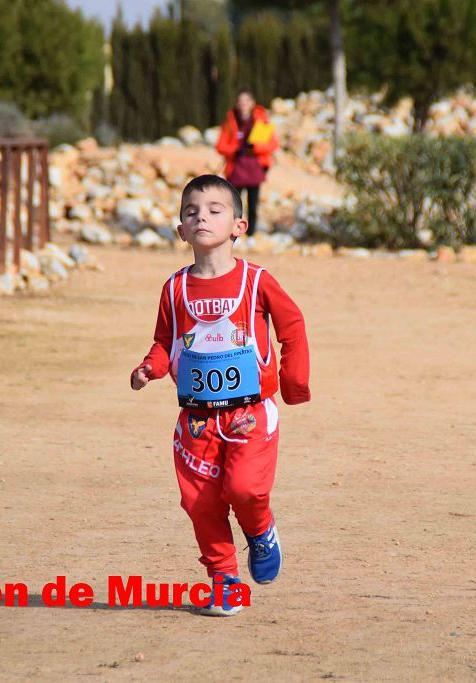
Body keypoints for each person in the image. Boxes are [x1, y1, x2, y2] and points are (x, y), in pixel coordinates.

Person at [130, 174, 311, 617]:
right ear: (180, 230)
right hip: (195, 419)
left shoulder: (257, 282)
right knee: (200, 502)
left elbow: (293, 327)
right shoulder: (174, 289)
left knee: (244, 488)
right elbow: (164, 341)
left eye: (215, 210)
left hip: (250, 414)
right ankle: (224, 581)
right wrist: (149, 368)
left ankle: (261, 530)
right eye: (191, 211)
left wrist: (293, 384)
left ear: (239, 226)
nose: (202, 217)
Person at [215, 89, 279, 240]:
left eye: (246, 101)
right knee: (234, 205)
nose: (243, 105)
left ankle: (251, 235)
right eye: (240, 102)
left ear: (252, 103)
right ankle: (232, 235)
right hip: (236, 169)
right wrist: (234, 150)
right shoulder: (230, 123)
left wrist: (256, 147)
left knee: (253, 205)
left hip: (254, 168)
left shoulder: (262, 122)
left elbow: (273, 144)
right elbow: (220, 146)